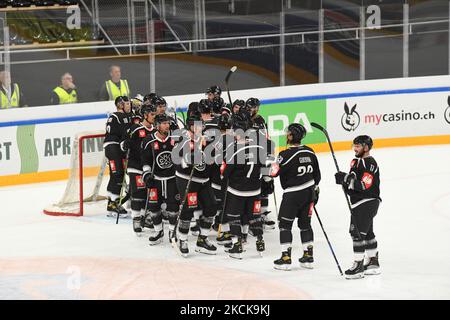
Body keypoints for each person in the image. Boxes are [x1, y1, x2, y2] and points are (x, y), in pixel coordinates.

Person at [271, 123, 321, 271]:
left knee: (285, 225)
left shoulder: (285, 155)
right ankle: (308, 256)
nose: (286, 135)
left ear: (291, 136)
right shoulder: (310, 152)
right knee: (305, 225)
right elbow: (317, 176)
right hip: (309, 193)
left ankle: (285, 258)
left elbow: (272, 172)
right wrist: (314, 190)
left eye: (288, 133)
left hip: (292, 195)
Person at [335, 135, 382, 279]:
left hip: (366, 202)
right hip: (361, 202)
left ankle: (358, 266)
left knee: (357, 234)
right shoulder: (355, 161)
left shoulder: (370, 163)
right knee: (367, 233)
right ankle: (373, 262)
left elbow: (364, 185)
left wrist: (345, 179)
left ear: (366, 148)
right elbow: (353, 183)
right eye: (354, 145)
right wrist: (345, 182)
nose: (355, 148)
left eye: (358, 146)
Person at [222, 109, 266, 259]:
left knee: (234, 216)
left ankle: (237, 245)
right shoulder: (260, 147)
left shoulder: (235, 149)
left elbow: (226, 172)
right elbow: (266, 168)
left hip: (238, 190)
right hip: (255, 190)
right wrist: (262, 180)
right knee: (254, 216)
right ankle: (260, 242)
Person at [173, 113, 218, 257]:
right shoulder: (183, 139)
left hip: (204, 180)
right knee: (187, 210)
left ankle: (202, 240)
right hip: (188, 179)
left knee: (211, 207)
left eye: (201, 125)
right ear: (190, 126)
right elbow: (177, 160)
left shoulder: (206, 139)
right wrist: (188, 160)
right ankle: (182, 240)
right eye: (196, 126)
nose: (200, 128)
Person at [142, 113, 180, 245]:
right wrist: (146, 175)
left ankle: (172, 231)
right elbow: (145, 161)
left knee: (173, 207)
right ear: (157, 125)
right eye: (164, 123)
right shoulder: (149, 140)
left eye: (168, 123)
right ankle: (158, 231)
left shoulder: (176, 139)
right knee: (153, 206)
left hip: (172, 178)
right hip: (156, 179)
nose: (167, 125)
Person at [123, 103, 156, 235]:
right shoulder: (135, 129)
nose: (154, 116)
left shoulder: (155, 130)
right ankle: (136, 219)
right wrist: (125, 144)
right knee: (138, 193)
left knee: (148, 194)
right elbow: (124, 143)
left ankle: (144, 217)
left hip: (148, 168)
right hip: (136, 166)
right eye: (152, 114)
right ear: (145, 115)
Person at [245, 97, 276, 230]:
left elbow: (266, 138)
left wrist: (269, 155)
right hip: (247, 158)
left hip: (261, 157)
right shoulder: (242, 119)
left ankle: (263, 214)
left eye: (256, 107)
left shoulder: (260, 120)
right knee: (250, 186)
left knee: (266, 184)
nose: (254, 110)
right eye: (252, 107)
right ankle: (250, 215)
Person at [103, 96, 132, 217]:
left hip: (112, 147)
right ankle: (113, 204)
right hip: (114, 147)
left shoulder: (114, 116)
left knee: (115, 175)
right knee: (118, 174)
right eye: (127, 104)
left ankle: (111, 203)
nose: (129, 106)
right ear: (120, 105)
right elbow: (127, 132)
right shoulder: (122, 116)